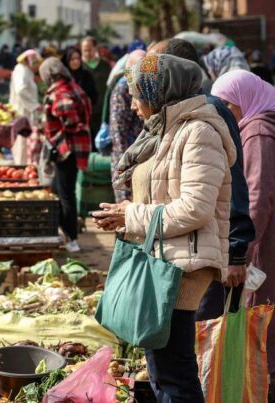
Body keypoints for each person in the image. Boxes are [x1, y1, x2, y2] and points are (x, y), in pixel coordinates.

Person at [94, 54, 236, 401]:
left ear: (158, 92)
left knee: (173, 375)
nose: (131, 102)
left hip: (181, 268)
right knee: (162, 372)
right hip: (166, 258)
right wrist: (125, 213)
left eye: (136, 93)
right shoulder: (167, 129)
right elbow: (162, 193)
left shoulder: (199, 131)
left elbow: (195, 209)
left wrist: (133, 215)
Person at [151, 38, 255, 321]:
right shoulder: (179, 112)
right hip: (185, 251)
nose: (150, 77)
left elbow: (233, 184)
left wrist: (235, 253)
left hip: (207, 252)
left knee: (200, 340)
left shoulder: (208, 113)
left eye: (155, 68)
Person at [211, 70, 275, 379]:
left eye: (227, 104)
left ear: (243, 100)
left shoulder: (258, 131)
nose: (224, 112)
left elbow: (258, 197)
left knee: (260, 312)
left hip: (263, 242)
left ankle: (261, 382)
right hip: (262, 237)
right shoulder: (254, 124)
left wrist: (241, 253)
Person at [38, 58, 92, 253]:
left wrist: (56, 138)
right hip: (76, 148)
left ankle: (71, 239)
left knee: (65, 194)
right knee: (58, 190)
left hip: (66, 151)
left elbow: (69, 117)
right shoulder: (74, 87)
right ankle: (64, 234)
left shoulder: (60, 92)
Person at [109, 50, 146, 202]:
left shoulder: (145, 85)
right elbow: (118, 131)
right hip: (127, 155)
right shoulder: (123, 88)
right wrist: (125, 165)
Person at [9, 49, 43, 164]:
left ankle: (25, 165)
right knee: (21, 141)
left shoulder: (26, 71)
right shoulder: (21, 70)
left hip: (27, 111)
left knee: (26, 141)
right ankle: (21, 166)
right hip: (22, 111)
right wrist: (35, 105)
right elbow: (21, 90)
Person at [81, 36, 112, 135]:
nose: (87, 53)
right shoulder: (79, 67)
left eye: (89, 50)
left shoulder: (105, 66)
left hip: (102, 110)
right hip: (84, 111)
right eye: (84, 50)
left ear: (95, 48)